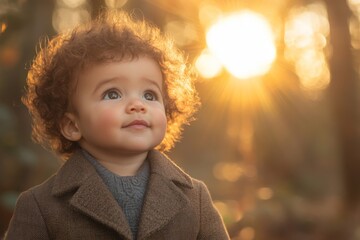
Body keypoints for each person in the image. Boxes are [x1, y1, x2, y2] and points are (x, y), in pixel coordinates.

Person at [4, 10, 229, 240]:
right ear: (72, 125)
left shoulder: (195, 198)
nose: (137, 105)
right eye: (112, 94)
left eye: (150, 95)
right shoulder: (41, 206)